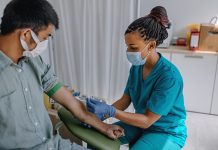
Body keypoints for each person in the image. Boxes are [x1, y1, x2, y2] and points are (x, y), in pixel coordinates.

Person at [0, 0, 124, 149]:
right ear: (26, 34)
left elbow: (74, 106)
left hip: (54, 145)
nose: (44, 44)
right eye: (44, 38)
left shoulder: (34, 62)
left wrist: (105, 127)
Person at [87, 6, 187, 150]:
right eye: (127, 47)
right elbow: (125, 100)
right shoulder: (137, 67)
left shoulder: (169, 77)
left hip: (165, 131)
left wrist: (111, 112)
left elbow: (147, 120)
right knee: (95, 139)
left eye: (133, 47)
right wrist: (96, 119)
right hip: (139, 123)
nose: (129, 52)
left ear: (151, 45)